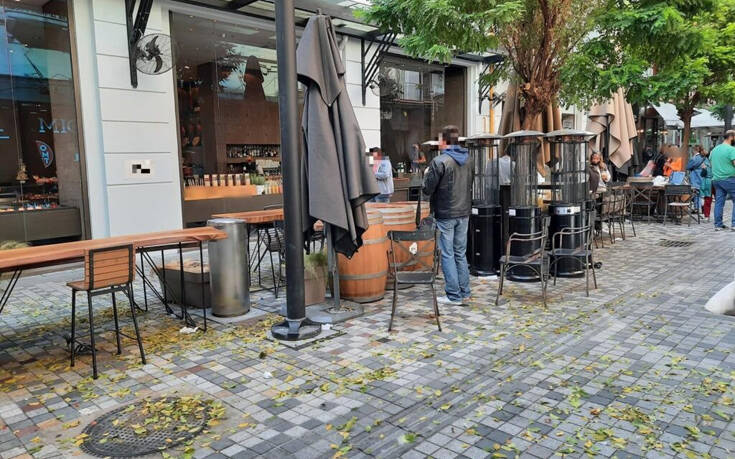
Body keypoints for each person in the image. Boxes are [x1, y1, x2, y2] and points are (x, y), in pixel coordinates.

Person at [423, 125, 473, 305]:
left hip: (445, 214)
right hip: (464, 212)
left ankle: (453, 295)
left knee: (447, 254)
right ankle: (465, 292)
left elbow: (427, 189)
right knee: (460, 253)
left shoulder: (439, 161)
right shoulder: (469, 159)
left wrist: (426, 175)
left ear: (443, 141)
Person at [710, 130, 735, 230]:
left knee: (719, 202)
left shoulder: (715, 150)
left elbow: (711, 163)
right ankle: (734, 224)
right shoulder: (731, 149)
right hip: (729, 179)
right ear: (731, 137)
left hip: (716, 179)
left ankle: (718, 225)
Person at [686, 145, 712, 218]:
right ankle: (700, 208)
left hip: (695, 177)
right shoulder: (705, 158)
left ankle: (697, 208)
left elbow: (687, 167)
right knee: (701, 194)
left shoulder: (694, 158)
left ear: (694, 150)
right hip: (703, 178)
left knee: (695, 193)